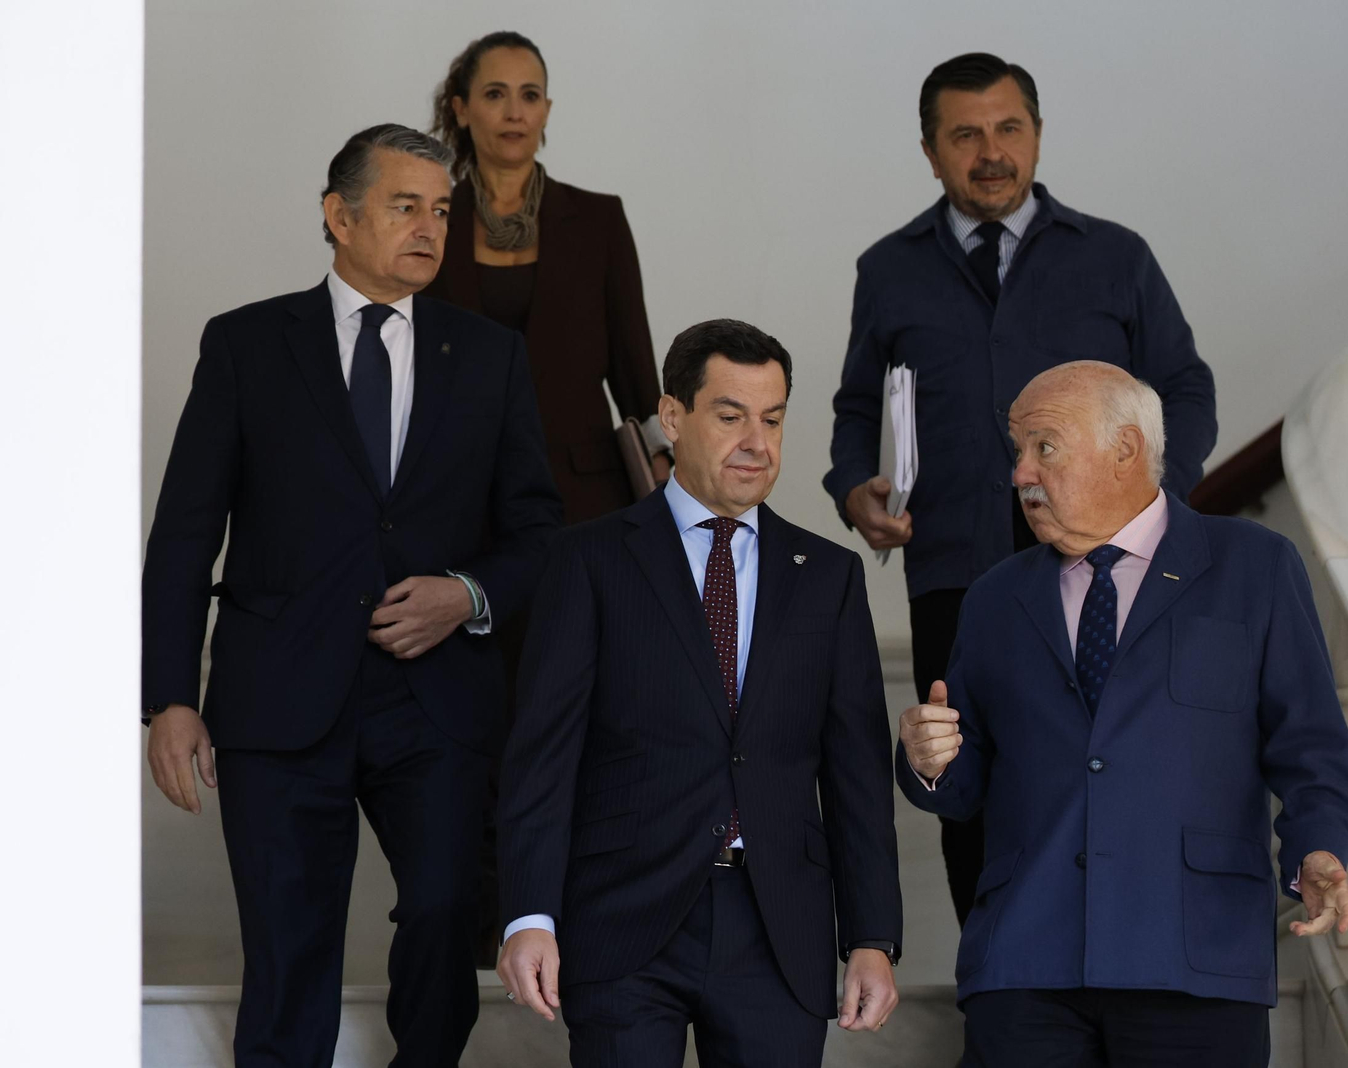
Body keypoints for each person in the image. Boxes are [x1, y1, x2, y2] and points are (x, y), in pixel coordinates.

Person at [141, 124, 563, 1068]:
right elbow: (183, 531)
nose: (429, 227)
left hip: (438, 699)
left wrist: (467, 593)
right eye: (405, 205)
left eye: (442, 210)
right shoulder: (247, 344)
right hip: (280, 697)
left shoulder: (488, 355)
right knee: (289, 951)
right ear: (338, 216)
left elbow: (539, 533)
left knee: (452, 908)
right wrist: (170, 696)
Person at [824, 52, 1219, 931]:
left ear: (1037, 136)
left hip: (1108, 574)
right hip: (955, 579)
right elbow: (856, 410)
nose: (990, 151)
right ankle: (998, 990)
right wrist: (856, 489)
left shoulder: (1116, 258)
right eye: (965, 135)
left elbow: (1185, 388)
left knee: (1113, 768)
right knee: (966, 787)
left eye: (1009, 129)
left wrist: (1154, 497)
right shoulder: (888, 269)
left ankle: (1118, 976)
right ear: (930, 151)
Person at [896, 362, 1348, 1067]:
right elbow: (965, 784)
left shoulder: (1254, 567)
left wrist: (1318, 849)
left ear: (1125, 450)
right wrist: (928, 759)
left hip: (1195, 959)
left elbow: (1313, 753)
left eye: (1044, 447)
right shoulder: (996, 597)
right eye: (1016, 450)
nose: (1020, 472)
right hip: (1028, 965)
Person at [496, 319, 903, 1067]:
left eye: (773, 419)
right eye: (730, 415)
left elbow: (857, 777)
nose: (757, 441)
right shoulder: (587, 561)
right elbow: (542, 759)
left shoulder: (830, 578)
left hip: (779, 926)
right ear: (674, 417)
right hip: (623, 916)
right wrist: (529, 913)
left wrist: (872, 936)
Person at [424, 30, 670, 521]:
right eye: (495, 94)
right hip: (459, 494)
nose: (515, 112)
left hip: (586, 496)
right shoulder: (429, 223)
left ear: (546, 110)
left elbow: (634, 368)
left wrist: (666, 472)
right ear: (461, 109)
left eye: (529, 95)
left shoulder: (600, 220)